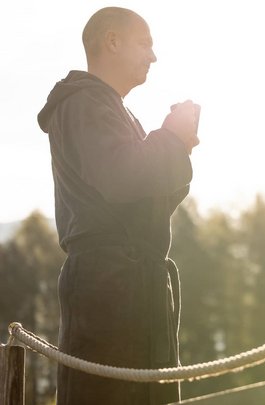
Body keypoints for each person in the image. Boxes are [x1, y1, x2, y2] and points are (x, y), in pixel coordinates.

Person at [37, 7, 200, 405]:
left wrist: (177, 145)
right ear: (112, 41)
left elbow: (142, 205)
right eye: (145, 43)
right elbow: (121, 177)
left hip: (131, 286)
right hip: (109, 289)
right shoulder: (83, 103)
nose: (153, 56)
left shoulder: (111, 108)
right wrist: (170, 140)